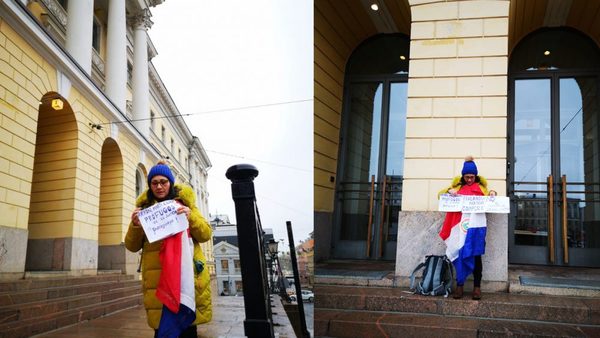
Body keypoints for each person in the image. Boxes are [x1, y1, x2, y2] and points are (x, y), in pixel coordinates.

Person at [125, 160, 212, 337]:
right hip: (159, 282)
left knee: (187, 328)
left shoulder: (186, 205)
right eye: (154, 182)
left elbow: (205, 234)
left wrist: (191, 217)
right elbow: (131, 246)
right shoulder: (143, 211)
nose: (159, 186)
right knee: (163, 330)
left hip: (184, 279)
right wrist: (135, 226)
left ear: (170, 183)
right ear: (149, 185)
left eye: (163, 182)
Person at [438, 156, 496, 300]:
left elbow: (490, 198)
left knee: (476, 257)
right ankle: (460, 286)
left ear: (475, 176)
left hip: (475, 229)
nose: (469, 179)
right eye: (467, 177)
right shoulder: (457, 187)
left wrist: (493, 193)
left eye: (472, 177)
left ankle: (477, 288)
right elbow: (440, 196)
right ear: (463, 176)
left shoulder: (481, 188)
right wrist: (449, 191)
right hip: (460, 228)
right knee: (460, 256)